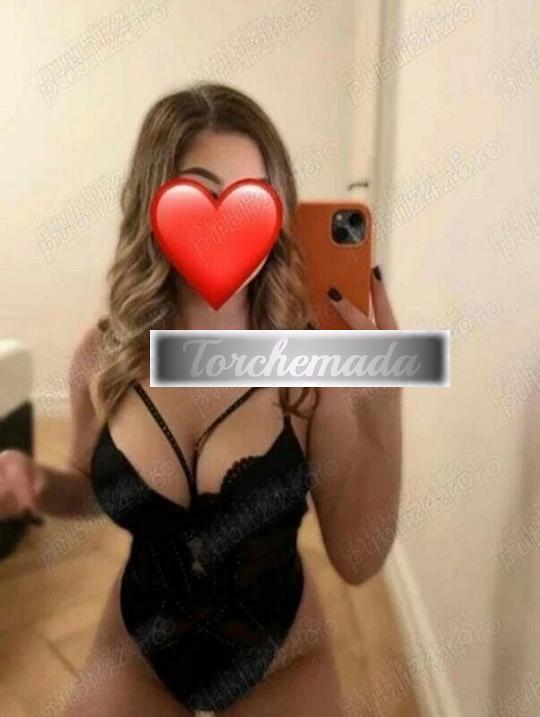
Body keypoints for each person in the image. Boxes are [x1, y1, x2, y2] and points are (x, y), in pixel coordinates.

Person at [0, 83, 402, 716]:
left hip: (282, 655)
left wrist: (383, 413)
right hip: (140, 647)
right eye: (204, 194)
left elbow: (357, 558)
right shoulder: (105, 357)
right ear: (153, 205)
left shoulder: (310, 366)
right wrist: (40, 485)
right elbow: (88, 486)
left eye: (253, 198)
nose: (229, 223)